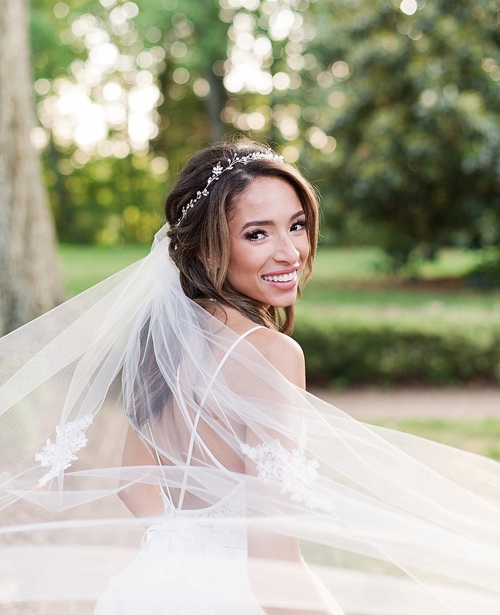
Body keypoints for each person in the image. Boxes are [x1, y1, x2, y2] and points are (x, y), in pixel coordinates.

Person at [1, 139, 500, 615]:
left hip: (151, 587)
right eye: (257, 234)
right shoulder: (271, 354)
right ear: (207, 248)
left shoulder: (159, 336)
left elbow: (134, 487)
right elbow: (273, 563)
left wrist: (185, 558)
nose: (290, 252)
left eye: (297, 225)